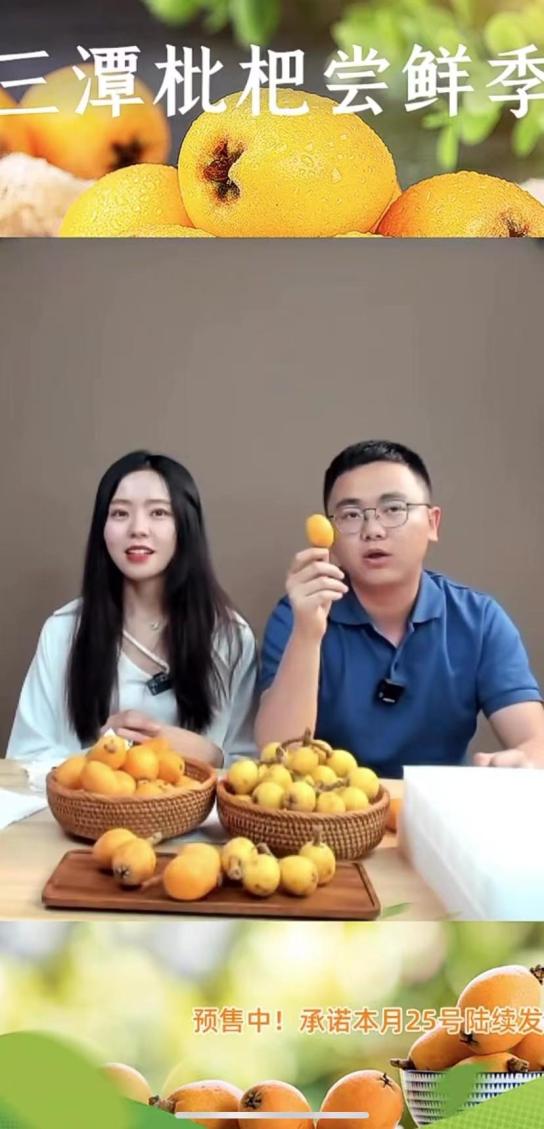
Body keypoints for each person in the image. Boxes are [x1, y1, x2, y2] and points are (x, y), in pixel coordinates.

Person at [256, 440, 544, 775]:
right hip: (332, 802)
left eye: (393, 509)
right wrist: (308, 633)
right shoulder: (297, 614)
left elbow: (535, 741)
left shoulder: (479, 619)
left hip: (436, 803)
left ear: (432, 523)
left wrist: (526, 759)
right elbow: (277, 753)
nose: (373, 531)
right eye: (351, 515)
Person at [7, 450, 257, 768]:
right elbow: (23, 762)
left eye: (158, 513)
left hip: (197, 803)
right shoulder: (64, 631)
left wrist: (209, 755)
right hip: (87, 801)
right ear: (102, 528)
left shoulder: (229, 637)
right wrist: (100, 754)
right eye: (120, 513)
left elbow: (253, 769)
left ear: (186, 525)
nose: (138, 529)